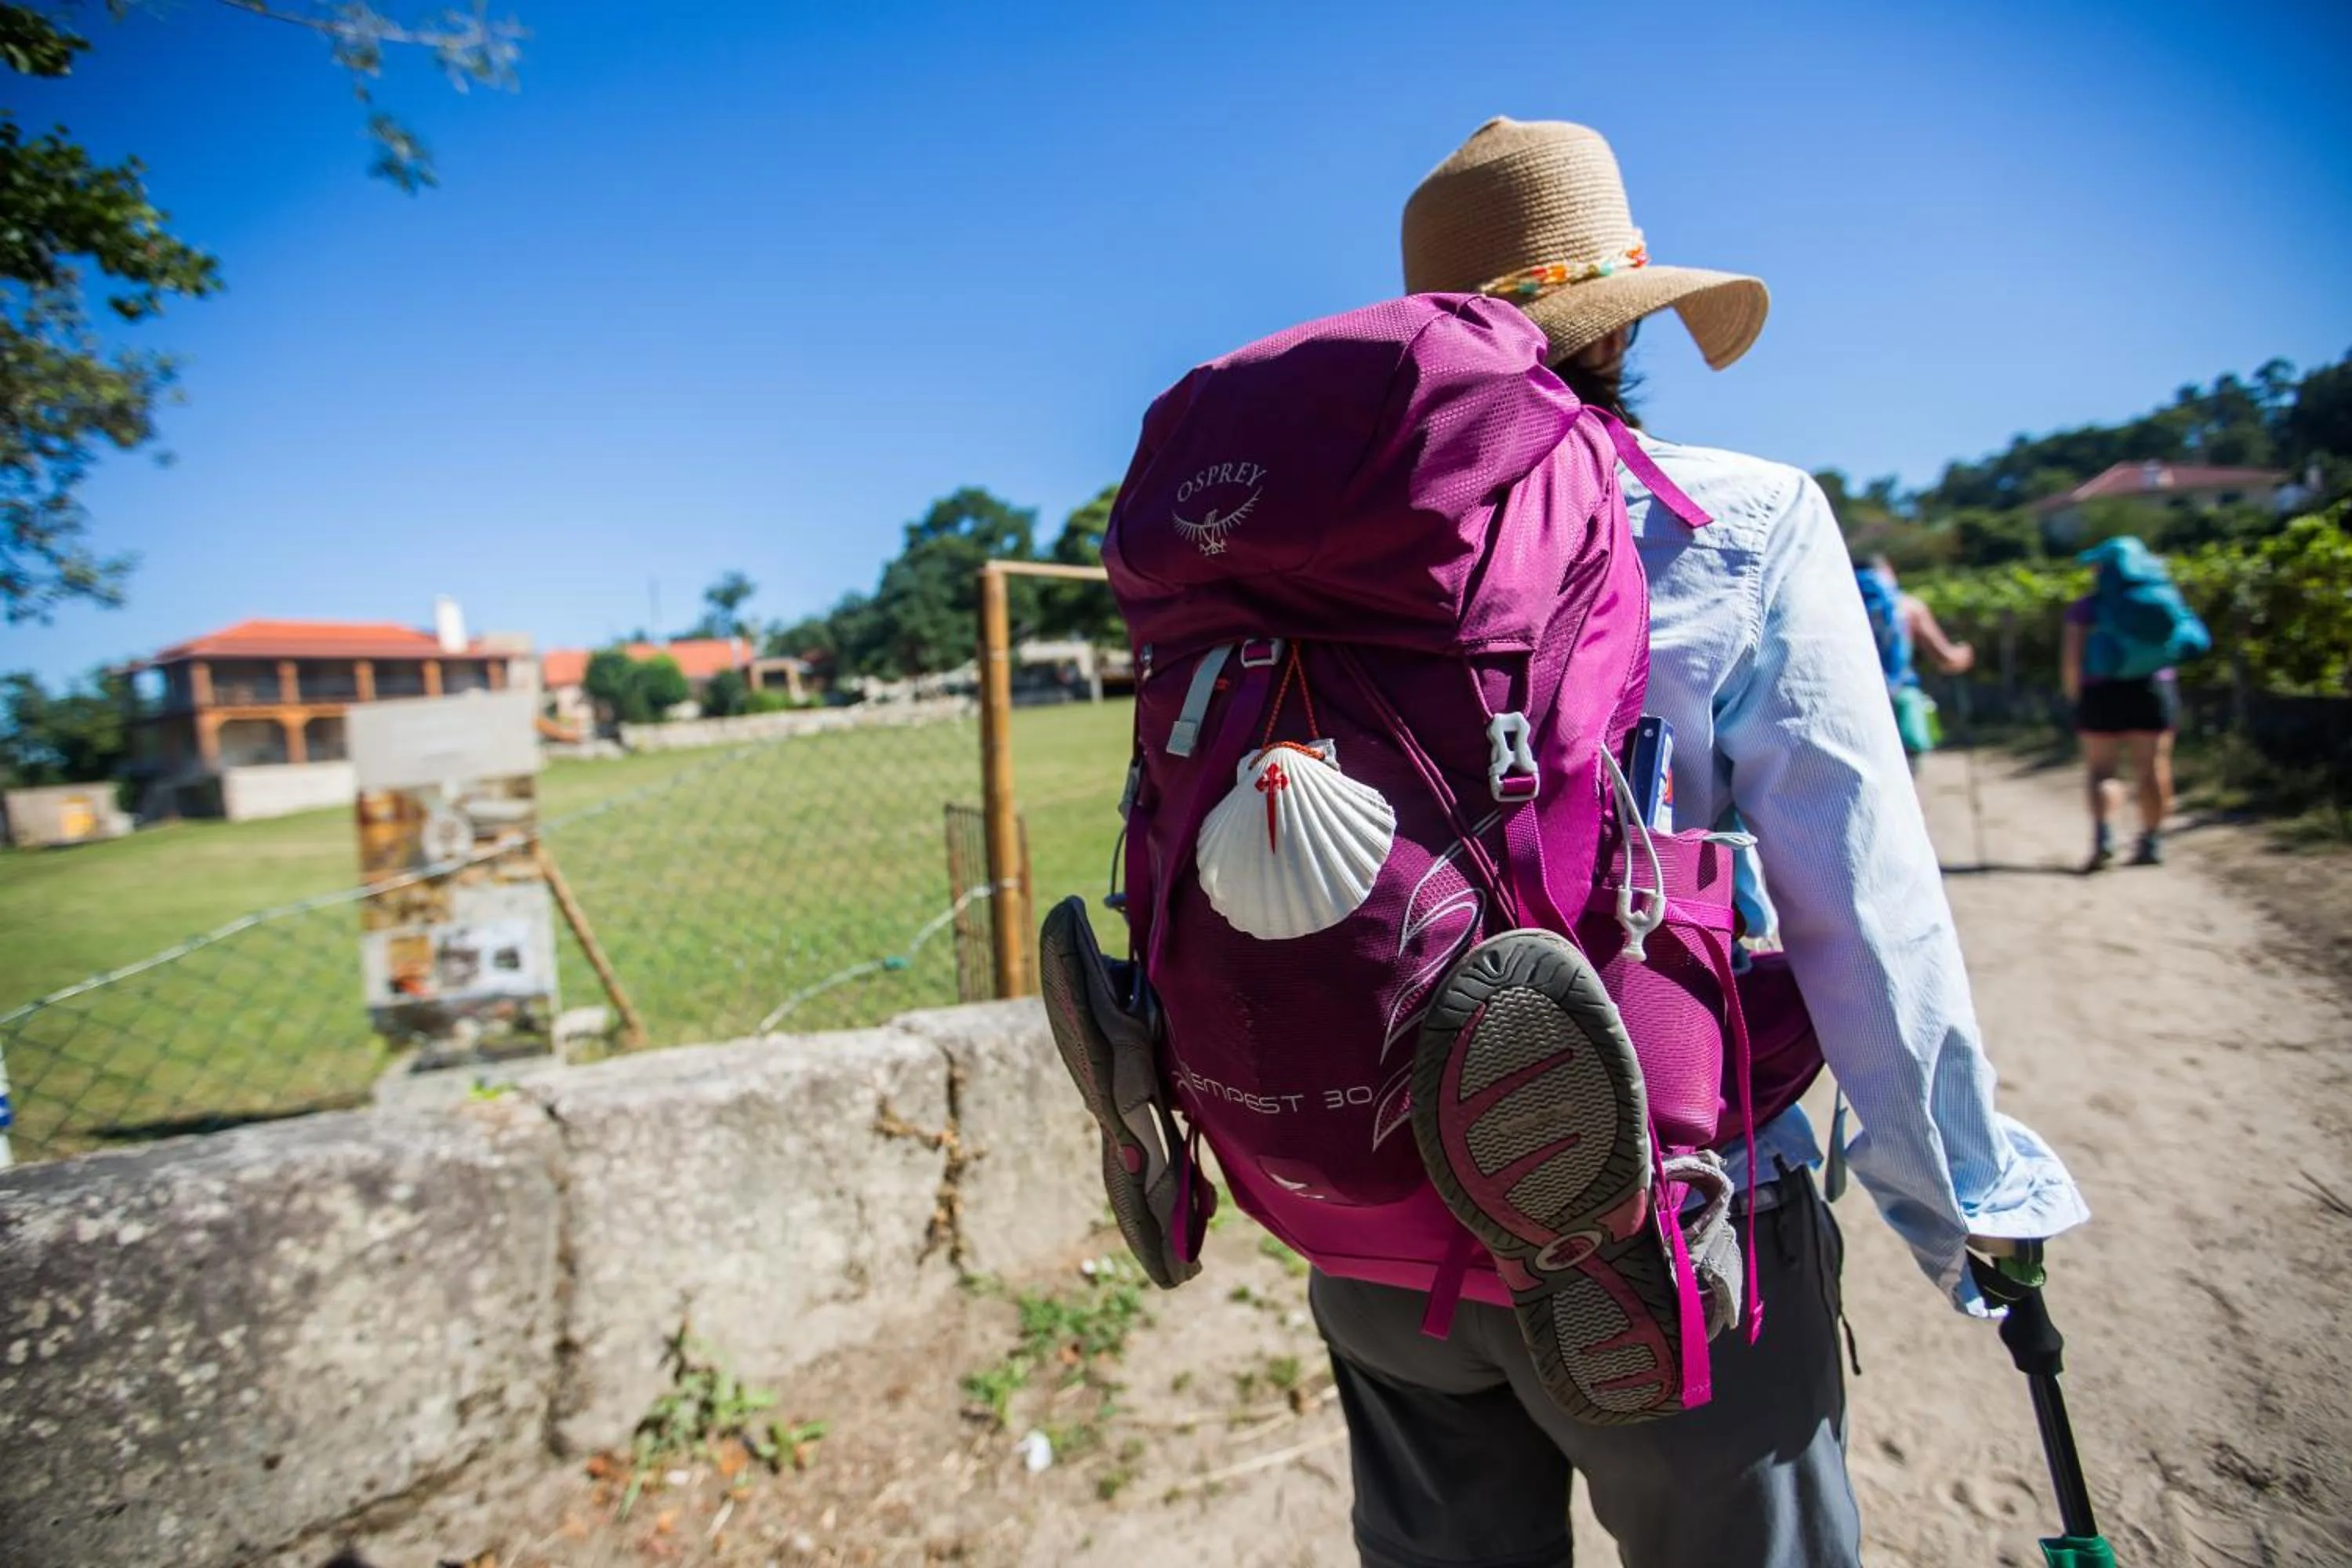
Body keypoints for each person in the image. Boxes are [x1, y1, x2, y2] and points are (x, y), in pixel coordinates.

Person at [1295, 117, 2088, 1568]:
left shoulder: (1313, 559)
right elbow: (1858, 903)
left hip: (1377, 1221)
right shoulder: (1737, 518)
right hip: (1666, 1223)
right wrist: (1964, 1201)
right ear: (1624, 320)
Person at [1856, 554, 1976, 775]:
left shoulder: (1841, 608)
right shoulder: (1909, 606)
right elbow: (1946, 659)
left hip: (1856, 709)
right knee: (1905, 780)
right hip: (1901, 702)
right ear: (1888, 573)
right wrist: (1964, 654)